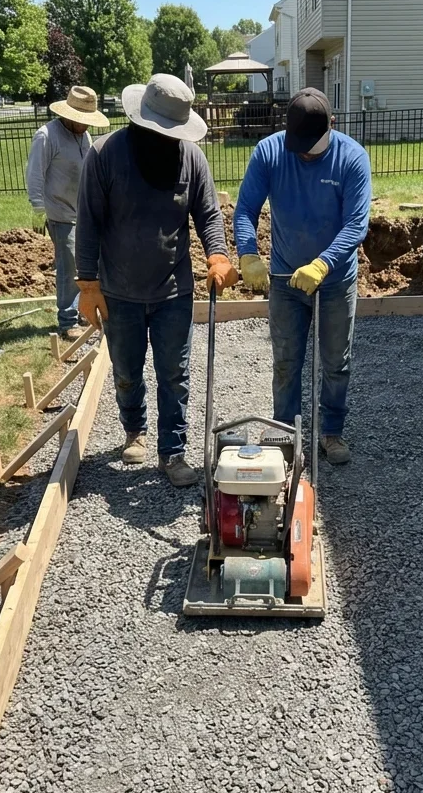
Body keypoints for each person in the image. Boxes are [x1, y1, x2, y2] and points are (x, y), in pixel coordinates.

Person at [75, 74, 237, 487]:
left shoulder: (191, 159)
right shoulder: (105, 155)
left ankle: (173, 451)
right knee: (126, 371)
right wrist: (88, 285)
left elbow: (207, 214)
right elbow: (88, 221)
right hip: (119, 290)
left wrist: (218, 256)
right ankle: (135, 430)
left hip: (173, 291)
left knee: (174, 375)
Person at [232, 88, 372, 465]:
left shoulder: (352, 158)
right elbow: (245, 209)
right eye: (301, 146)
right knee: (286, 361)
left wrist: (323, 264)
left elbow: (356, 224)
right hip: (285, 279)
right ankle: (285, 433)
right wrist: (248, 252)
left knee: (336, 361)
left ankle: (332, 432)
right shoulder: (270, 152)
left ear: (332, 125)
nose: (307, 153)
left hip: (335, 281)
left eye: (314, 145)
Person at [26, 86, 109, 340]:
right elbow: (35, 173)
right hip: (60, 212)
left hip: (83, 211)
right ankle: (67, 320)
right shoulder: (47, 135)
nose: (85, 125)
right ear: (68, 115)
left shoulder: (84, 136)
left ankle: (84, 310)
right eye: (81, 120)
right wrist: (38, 207)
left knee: (88, 262)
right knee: (69, 265)